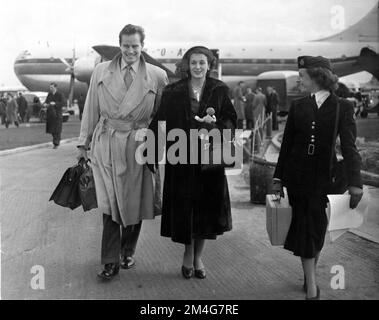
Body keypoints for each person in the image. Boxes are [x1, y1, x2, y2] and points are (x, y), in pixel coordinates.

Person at [77, 24, 169, 280]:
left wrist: (157, 147)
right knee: (109, 205)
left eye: (135, 46)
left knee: (133, 203)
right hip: (106, 143)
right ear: (120, 45)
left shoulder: (158, 76)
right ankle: (109, 261)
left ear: (142, 46)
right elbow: (91, 110)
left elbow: (161, 117)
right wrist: (83, 145)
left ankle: (128, 249)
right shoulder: (100, 72)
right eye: (126, 45)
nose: (130, 50)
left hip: (138, 146)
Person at [272, 56, 363, 300]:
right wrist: (278, 178)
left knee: (316, 229)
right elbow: (287, 145)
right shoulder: (298, 106)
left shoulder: (342, 106)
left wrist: (356, 183)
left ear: (317, 77)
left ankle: (308, 276)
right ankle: (311, 287)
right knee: (307, 227)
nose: (299, 81)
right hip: (298, 177)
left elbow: (350, 147)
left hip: (326, 178)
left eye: (302, 76)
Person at [148, 46, 237, 280]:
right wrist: (151, 151)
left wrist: (216, 125)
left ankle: (198, 257)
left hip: (209, 161)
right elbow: (160, 122)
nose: (198, 67)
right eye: (194, 62)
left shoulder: (219, 90)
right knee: (185, 210)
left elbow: (231, 120)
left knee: (206, 211)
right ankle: (188, 254)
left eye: (202, 63)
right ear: (187, 65)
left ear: (209, 65)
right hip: (182, 159)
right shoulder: (173, 91)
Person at [45, 83, 64, 148]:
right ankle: (55, 141)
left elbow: (62, 103)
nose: (51, 89)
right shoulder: (49, 94)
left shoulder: (60, 94)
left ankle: (56, 143)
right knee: (52, 129)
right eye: (50, 87)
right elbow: (46, 101)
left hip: (57, 114)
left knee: (57, 130)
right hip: (50, 114)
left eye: (52, 87)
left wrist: (55, 103)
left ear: (55, 87)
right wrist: (46, 104)